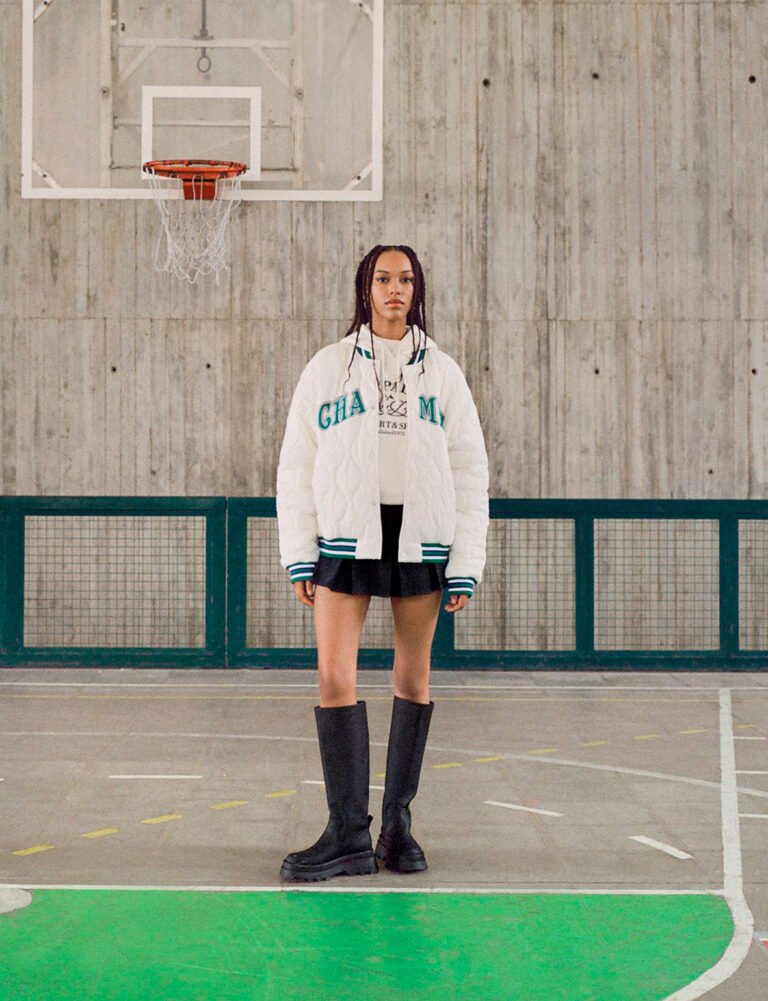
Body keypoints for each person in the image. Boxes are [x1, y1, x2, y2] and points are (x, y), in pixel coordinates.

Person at [275, 244, 489, 882]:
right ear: (365, 288)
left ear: (417, 289)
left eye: (405, 279)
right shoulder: (328, 368)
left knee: (412, 680)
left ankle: (397, 828)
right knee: (333, 677)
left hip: (421, 541)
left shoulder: (443, 373)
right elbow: (297, 465)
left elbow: (469, 470)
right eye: (382, 278)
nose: (394, 289)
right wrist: (299, 553)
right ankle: (346, 833)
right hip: (345, 541)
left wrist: (465, 561)